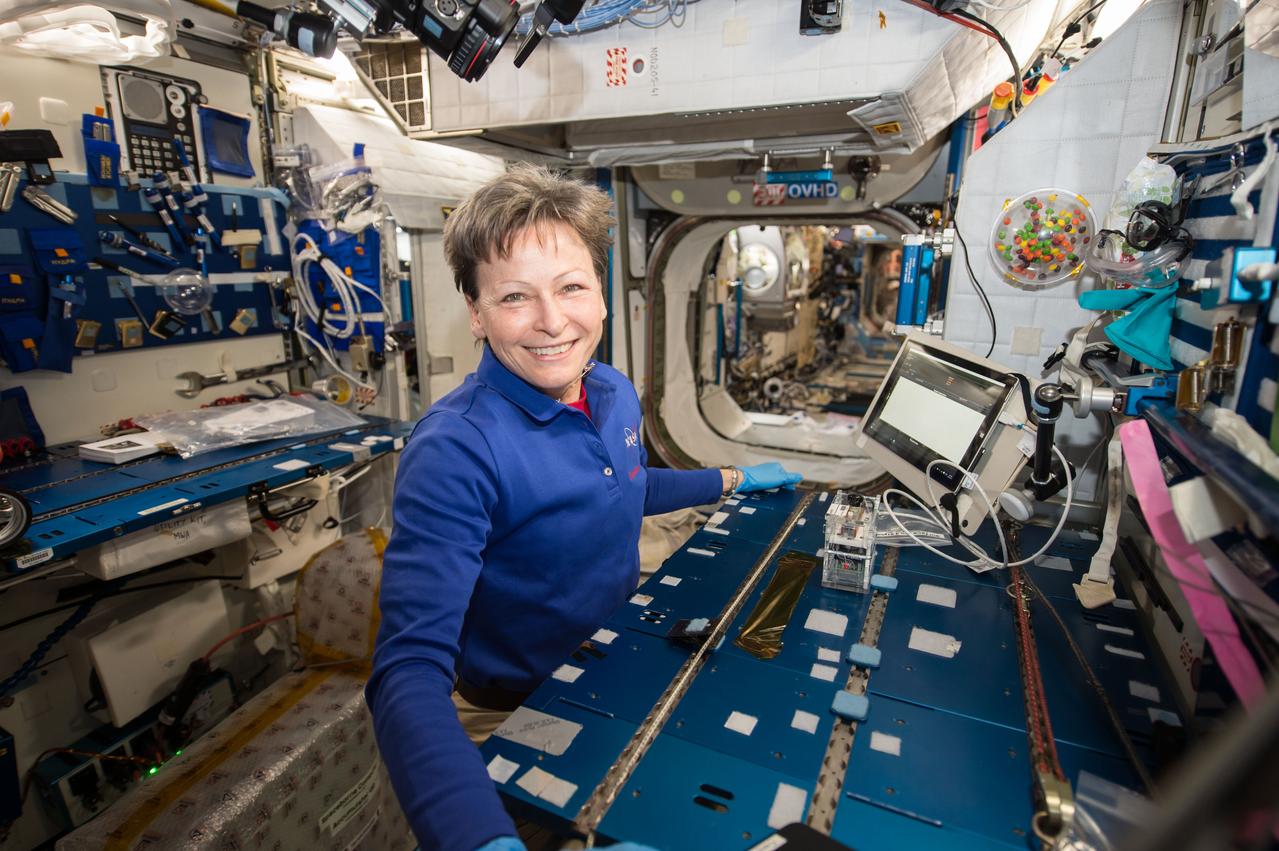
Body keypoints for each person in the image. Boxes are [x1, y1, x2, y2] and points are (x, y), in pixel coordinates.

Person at [367, 165, 803, 851]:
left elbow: (625, 488)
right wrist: (477, 838)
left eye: (571, 286)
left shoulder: (611, 390)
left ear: (601, 295)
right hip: (516, 708)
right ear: (477, 314)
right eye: (515, 296)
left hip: (611, 663)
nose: (551, 321)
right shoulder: (456, 446)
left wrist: (729, 479)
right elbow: (407, 670)